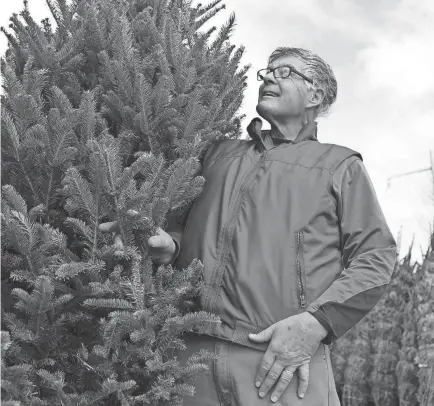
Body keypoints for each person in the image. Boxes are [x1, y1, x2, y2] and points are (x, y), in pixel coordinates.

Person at [100, 47, 397, 405]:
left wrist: (314, 324)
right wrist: (172, 246)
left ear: (315, 95)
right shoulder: (217, 153)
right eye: (267, 72)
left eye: (285, 72)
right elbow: (189, 228)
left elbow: (376, 257)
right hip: (189, 357)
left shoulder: (338, 165)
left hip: (281, 361)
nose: (269, 76)